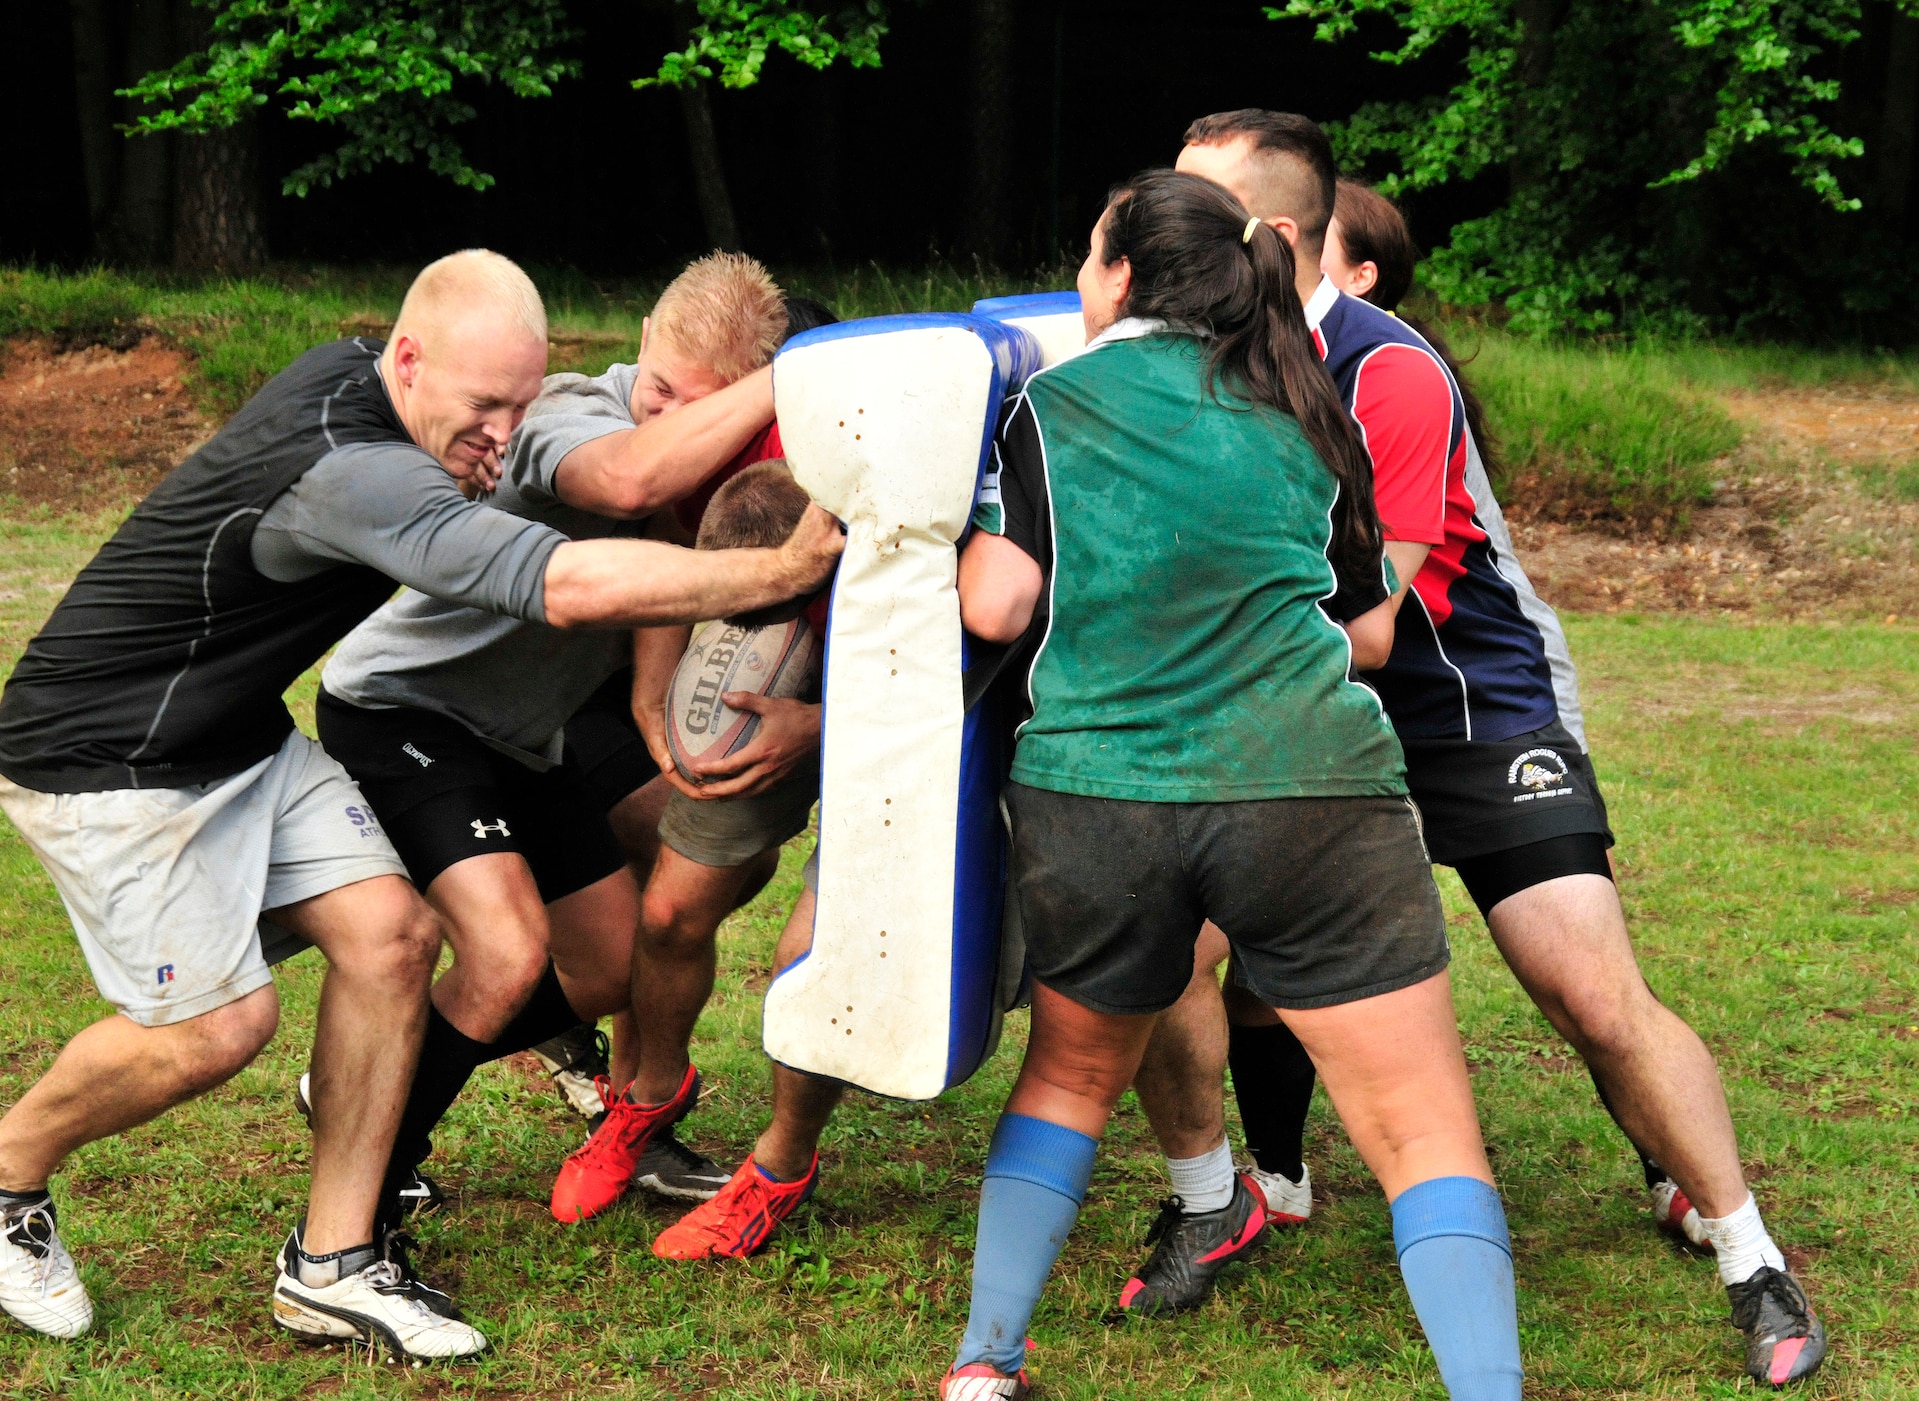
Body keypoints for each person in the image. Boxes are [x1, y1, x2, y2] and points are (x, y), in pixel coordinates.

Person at [0, 249, 842, 1360]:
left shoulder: (358, 380)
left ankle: (333, 1265)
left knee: (396, 940)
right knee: (217, 1029)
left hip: (244, 732)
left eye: (520, 402)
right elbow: (565, 581)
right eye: (484, 406)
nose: (503, 433)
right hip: (105, 753)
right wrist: (776, 573)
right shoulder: (359, 471)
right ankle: (9, 1173)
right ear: (406, 359)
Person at [1139, 110, 1826, 1387]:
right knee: (1184, 948)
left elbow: (1376, 625)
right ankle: (1240, 1190)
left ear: (1271, 237)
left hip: (1463, 703)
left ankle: (1745, 1250)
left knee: (1582, 986)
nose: (1153, 233)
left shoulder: (1391, 372)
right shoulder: (1186, 356)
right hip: (1297, 701)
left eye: (1188, 210)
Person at [938, 170, 1524, 1401]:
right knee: (1420, 1129)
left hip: (1097, 797)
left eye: (1090, 258)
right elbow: (1366, 635)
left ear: (1119, 276)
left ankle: (984, 1366)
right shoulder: (1313, 405)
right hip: (1310, 792)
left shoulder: (1051, 403)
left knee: (1067, 1077)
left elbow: (995, 603)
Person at [309, 254, 817, 1242]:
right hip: (405, 708)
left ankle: (407, 1078)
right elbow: (629, 478)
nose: (666, 414)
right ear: (641, 350)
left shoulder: (729, 451)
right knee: (503, 955)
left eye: (693, 404)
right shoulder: (570, 414)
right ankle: (370, 1160)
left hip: (522, 736)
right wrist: (791, 372)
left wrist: (654, 699)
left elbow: (670, 564)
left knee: (622, 959)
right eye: (660, 387)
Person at [636, 461, 842, 1261]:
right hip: (779, 675)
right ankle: (648, 1102)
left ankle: (782, 1166)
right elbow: (650, 539)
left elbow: (963, 668)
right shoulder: (701, 446)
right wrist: (653, 692)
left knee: (805, 957)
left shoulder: (890, 551)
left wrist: (822, 721)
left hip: (901, 711)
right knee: (667, 910)